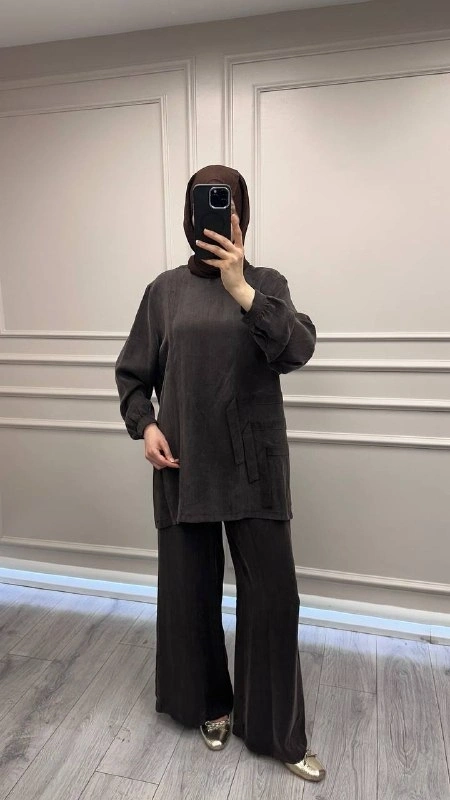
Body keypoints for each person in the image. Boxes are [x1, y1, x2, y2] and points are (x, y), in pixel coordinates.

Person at [114, 165, 326, 782]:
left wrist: (242, 290)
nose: (211, 215)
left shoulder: (267, 284)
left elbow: (298, 350)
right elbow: (134, 374)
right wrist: (145, 426)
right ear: (189, 216)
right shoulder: (164, 291)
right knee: (190, 596)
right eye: (202, 204)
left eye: (224, 202)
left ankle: (275, 732)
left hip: (254, 466)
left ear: (242, 213)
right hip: (184, 464)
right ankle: (209, 704)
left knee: (273, 600)